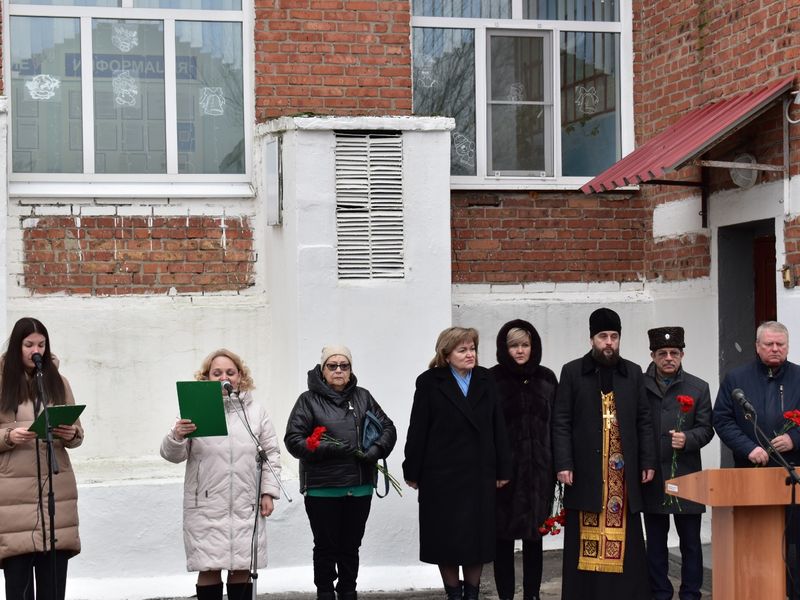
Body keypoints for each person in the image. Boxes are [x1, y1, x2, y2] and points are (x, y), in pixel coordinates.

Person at [551, 307, 656, 600]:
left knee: (627, 540)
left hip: (622, 476)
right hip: (586, 470)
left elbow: (644, 420)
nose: (609, 342)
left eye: (614, 336)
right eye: (602, 337)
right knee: (586, 536)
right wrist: (563, 463)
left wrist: (647, 460)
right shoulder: (572, 372)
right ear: (591, 339)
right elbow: (561, 420)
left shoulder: (633, 372)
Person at [160, 348, 282, 600]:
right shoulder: (193, 409)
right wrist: (177, 435)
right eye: (217, 372)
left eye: (230, 372)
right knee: (209, 567)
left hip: (245, 503)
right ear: (207, 377)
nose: (224, 376)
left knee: (241, 567)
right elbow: (172, 455)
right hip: (206, 505)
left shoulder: (255, 412)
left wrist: (268, 492)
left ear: (240, 376)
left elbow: (270, 453)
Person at [403, 326, 512, 600]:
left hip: (479, 473)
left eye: (472, 349)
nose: (469, 354)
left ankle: (472, 593)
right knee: (445, 538)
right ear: (446, 354)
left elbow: (498, 426)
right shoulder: (429, 382)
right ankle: (453, 593)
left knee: (477, 538)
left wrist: (503, 467)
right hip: (441, 477)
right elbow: (418, 429)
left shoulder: (486, 379)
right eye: (462, 350)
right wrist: (412, 469)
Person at [284, 345, 397, 600]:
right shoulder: (307, 400)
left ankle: (348, 590)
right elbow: (293, 440)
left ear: (350, 370)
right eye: (332, 365)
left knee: (351, 546)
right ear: (322, 370)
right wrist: (327, 449)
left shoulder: (363, 396)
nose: (338, 370)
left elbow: (388, 428)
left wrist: (376, 450)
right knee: (325, 547)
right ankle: (324, 592)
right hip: (323, 488)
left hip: (359, 486)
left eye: (343, 366)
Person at [713, 321, 800, 598]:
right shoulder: (737, 379)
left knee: (795, 541)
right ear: (757, 346)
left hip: (792, 476)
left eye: (780, 344)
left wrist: (795, 439)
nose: (775, 349)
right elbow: (722, 419)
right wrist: (749, 447)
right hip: (752, 473)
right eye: (769, 344)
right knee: (756, 539)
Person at [0, 317, 84, 600]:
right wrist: (9, 437)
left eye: (41, 344)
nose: (35, 350)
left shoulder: (57, 382)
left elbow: (78, 436)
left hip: (55, 495)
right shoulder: (1, 382)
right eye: (28, 344)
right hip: (13, 501)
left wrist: (70, 432)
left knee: (53, 588)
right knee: (19, 588)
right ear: (16, 346)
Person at [641, 326, 713, 600]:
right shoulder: (640, 386)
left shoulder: (698, 387)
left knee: (691, 543)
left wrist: (689, 438)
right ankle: (660, 592)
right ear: (653, 355)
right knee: (656, 541)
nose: (668, 358)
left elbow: (707, 428)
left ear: (682, 354)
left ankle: (691, 593)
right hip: (652, 475)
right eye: (662, 353)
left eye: (674, 352)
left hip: (686, 474)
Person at [490, 319, 558, 600]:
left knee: (534, 538)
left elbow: (558, 424)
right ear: (504, 349)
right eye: (514, 345)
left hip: (539, 474)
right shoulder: (491, 380)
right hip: (504, 475)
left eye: (525, 345)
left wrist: (557, 465)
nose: (520, 351)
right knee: (502, 541)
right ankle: (506, 595)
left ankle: (532, 595)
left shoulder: (547, 378)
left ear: (534, 346)